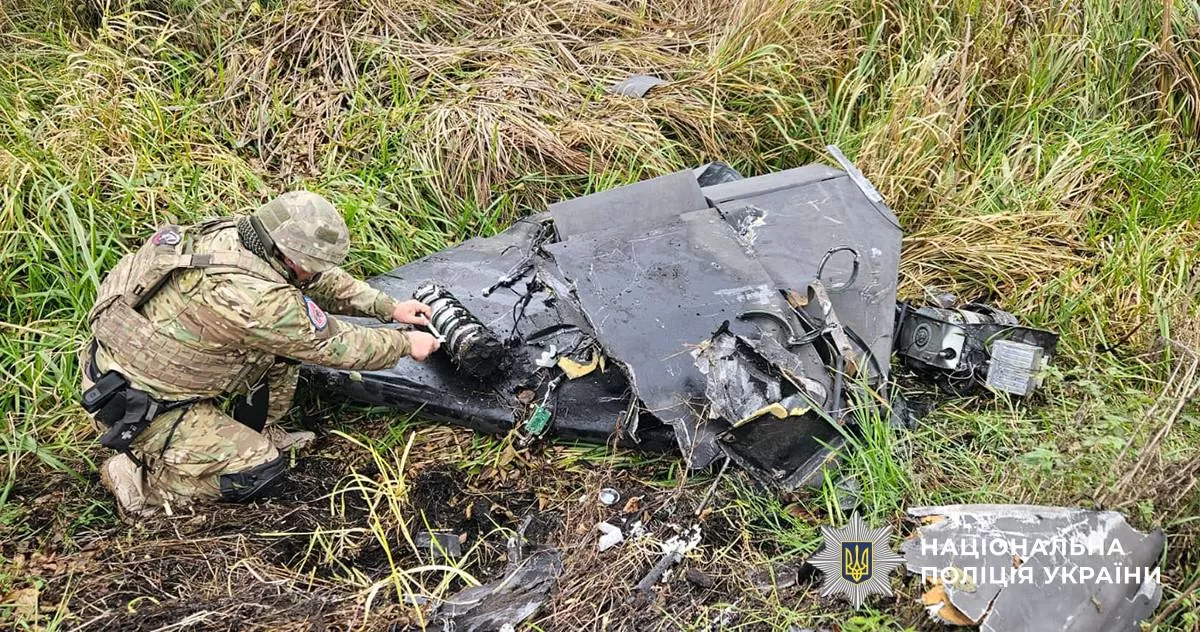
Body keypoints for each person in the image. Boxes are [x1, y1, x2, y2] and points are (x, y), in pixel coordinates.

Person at [79, 191, 441, 516]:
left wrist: (388, 307)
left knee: (281, 352)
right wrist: (405, 344)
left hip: (144, 368)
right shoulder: (255, 298)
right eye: (311, 263)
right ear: (288, 255)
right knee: (259, 473)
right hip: (138, 404)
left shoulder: (239, 237)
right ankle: (141, 483)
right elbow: (333, 344)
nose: (315, 272)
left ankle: (259, 429)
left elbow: (318, 279)